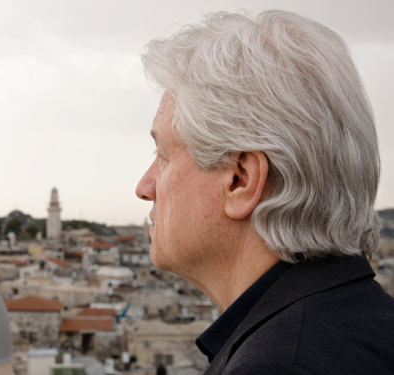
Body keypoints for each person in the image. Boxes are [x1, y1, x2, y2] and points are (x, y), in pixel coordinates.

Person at [135, 10, 394, 374]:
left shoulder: (279, 363)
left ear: (241, 180)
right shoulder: (368, 326)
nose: (144, 188)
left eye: (163, 156)